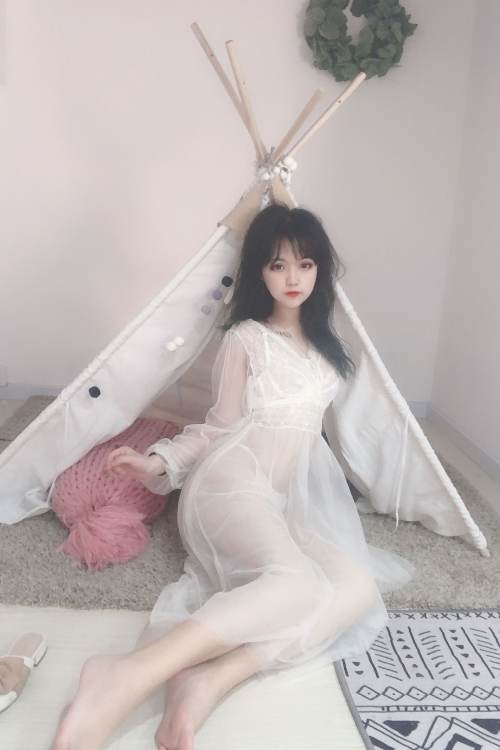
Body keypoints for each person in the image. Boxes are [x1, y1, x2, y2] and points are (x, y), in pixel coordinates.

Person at [52, 204, 415, 750]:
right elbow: (219, 425)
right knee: (296, 584)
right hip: (228, 484)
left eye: (305, 264)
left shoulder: (327, 350)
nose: (292, 278)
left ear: (320, 271)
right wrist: (158, 462)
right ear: (259, 272)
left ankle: (211, 679)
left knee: (356, 587)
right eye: (277, 265)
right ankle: (128, 674)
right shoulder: (246, 338)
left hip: (283, 499)